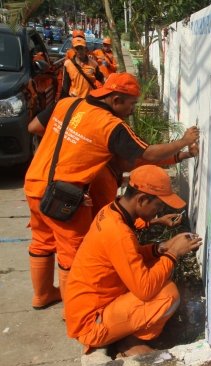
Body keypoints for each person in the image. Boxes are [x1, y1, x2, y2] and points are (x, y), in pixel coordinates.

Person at [24, 72, 200, 312]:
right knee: (71, 255)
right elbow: (146, 154)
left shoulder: (68, 102)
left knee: (41, 242)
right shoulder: (110, 125)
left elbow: (33, 127)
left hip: (35, 183)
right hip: (66, 196)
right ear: (116, 99)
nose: (132, 110)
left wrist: (71, 143)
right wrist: (183, 142)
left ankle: (42, 295)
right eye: (131, 104)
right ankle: (73, 312)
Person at [65, 165, 202, 356]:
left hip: (88, 307)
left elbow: (130, 254)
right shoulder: (119, 233)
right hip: (90, 324)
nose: (159, 211)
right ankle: (130, 341)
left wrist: (161, 247)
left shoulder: (111, 212)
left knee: (158, 271)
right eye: (158, 205)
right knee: (168, 295)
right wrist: (173, 254)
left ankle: (123, 333)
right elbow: (145, 289)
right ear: (143, 199)